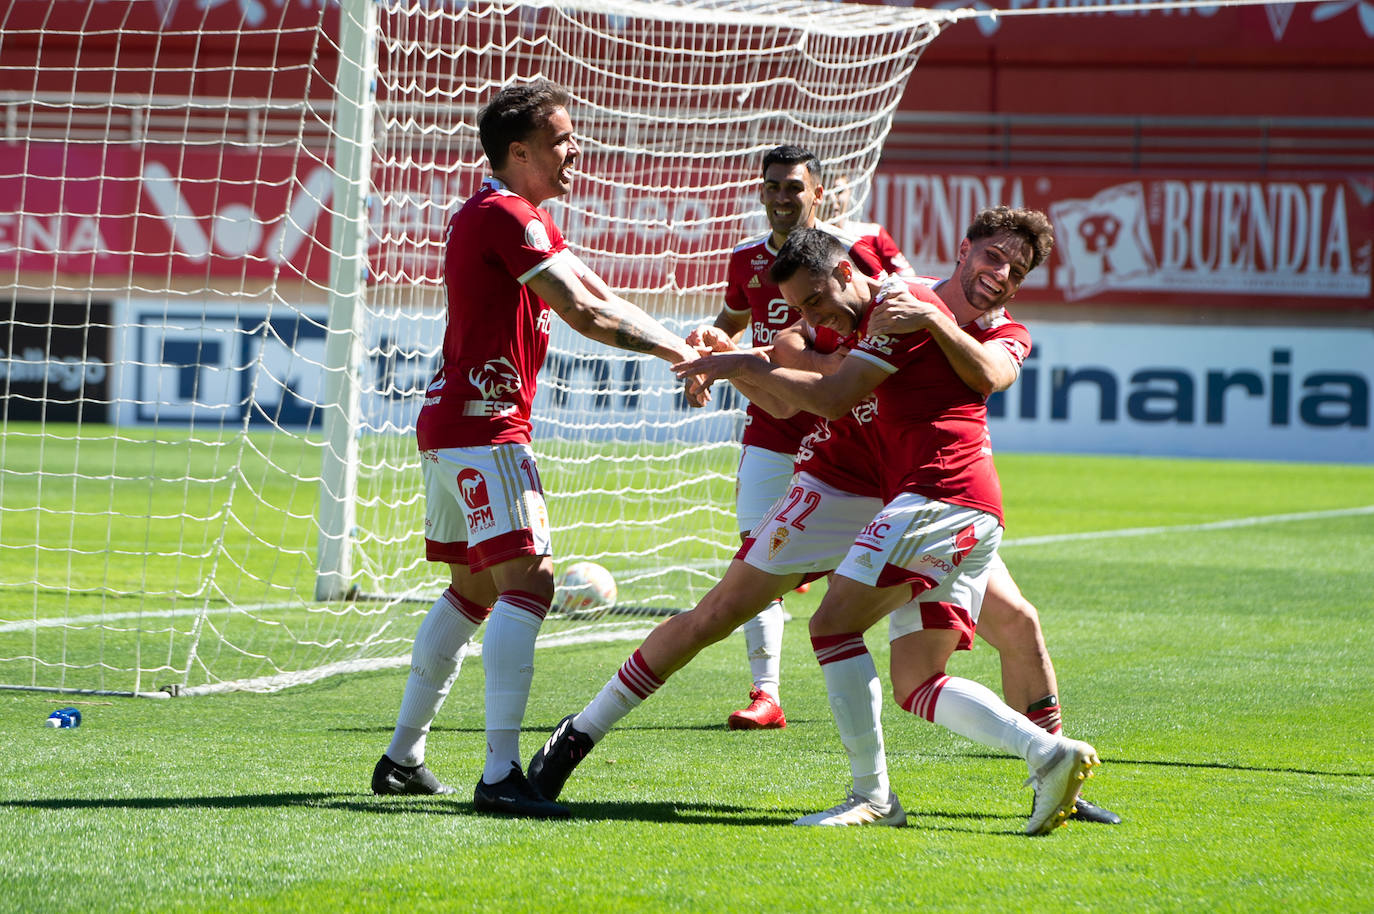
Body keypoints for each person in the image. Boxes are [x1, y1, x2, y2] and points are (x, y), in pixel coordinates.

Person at [529, 211, 1111, 833]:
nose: (999, 274)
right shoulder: (874, 306)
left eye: (1014, 267)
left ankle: (1047, 779)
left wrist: (747, 366)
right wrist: (736, 356)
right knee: (717, 613)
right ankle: (578, 733)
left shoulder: (957, 320)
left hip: (924, 497)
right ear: (965, 251)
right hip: (844, 483)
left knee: (1007, 624)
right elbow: (793, 375)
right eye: (992, 257)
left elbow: (870, 382)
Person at [369, 79, 707, 819]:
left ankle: (402, 756)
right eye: (559, 140)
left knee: (477, 591)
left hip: (455, 423)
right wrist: (677, 357)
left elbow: (600, 293)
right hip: (485, 425)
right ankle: (499, 775)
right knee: (531, 582)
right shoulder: (503, 215)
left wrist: (683, 343)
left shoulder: (515, 218)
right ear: (518, 152)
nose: (574, 151)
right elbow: (585, 313)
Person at [710, 145, 914, 731]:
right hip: (774, 424)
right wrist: (711, 338)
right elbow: (730, 325)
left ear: (817, 192)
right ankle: (766, 693)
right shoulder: (745, 260)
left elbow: (908, 303)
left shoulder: (862, 248)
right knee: (755, 549)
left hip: (848, 425)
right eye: (771, 186)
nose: (780, 197)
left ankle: (904, 669)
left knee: (871, 552)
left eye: (793, 187)